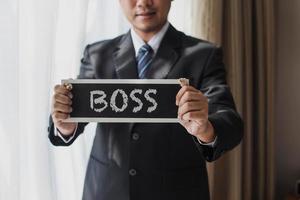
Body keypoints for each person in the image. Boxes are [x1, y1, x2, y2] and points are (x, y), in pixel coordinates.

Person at [48, 0, 243, 199]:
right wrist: (65, 125)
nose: (143, 2)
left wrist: (205, 129)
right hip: (107, 190)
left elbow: (230, 122)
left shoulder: (203, 55)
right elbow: (77, 111)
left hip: (177, 192)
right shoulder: (97, 54)